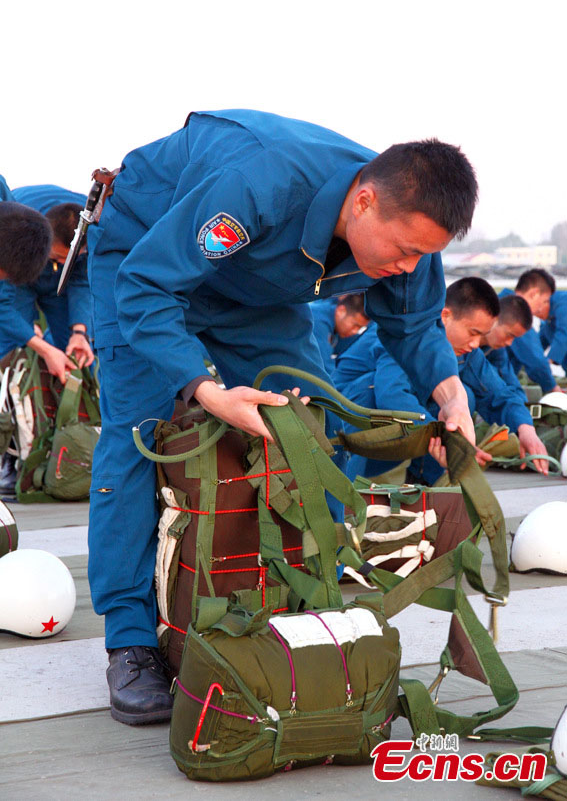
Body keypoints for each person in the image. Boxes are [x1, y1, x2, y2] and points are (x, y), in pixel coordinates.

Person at [53, 109, 479, 725]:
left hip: (252, 292)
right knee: (138, 436)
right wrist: (204, 388)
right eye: (406, 251)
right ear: (362, 202)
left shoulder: (409, 228)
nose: (410, 267)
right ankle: (131, 643)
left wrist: (450, 394)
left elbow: (412, 322)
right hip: (147, 257)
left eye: (424, 256)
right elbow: (149, 286)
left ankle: (310, 606)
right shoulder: (262, 184)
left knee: (309, 430)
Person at [335, 278, 549, 483]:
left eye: (482, 336)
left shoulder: (465, 351)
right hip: (340, 420)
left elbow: (498, 393)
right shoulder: (407, 333)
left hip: (386, 436)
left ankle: (424, 484)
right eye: (472, 332)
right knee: (377, 390)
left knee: (463, 396)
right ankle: (340, 491)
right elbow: (391, 394)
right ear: (445, 316)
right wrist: (445, 437)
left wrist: (525, 429)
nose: (476, 344)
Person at [0, 185, 95, 380]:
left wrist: (80, 331)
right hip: (17, 265)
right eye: (60, 257)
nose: (62, 265)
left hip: (56, 284)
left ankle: (71, 395)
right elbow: (2, 304)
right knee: (12, 339)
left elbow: (81, 281)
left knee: (75, 346)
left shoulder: (91, 228)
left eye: (69, 260)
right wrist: (34, 340)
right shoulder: (14, 229)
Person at [501, 269, 561, 394]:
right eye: (545, 301)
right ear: (534, 293)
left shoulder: (501, 300)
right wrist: (553, 388)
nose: (542, 308)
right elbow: (535, 360)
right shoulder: (516, 313)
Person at [310, 293, 369, 376]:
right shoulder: (317, 321)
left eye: (360, 328)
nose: (355, 331)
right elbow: (324, 367)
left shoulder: (337, 325)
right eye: (355, 325)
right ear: (341, 311)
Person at [539, 288, 567, 374]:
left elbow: (564, 331)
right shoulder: (548, 321)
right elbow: (540, 341)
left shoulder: (563, 302)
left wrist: (550, 359)